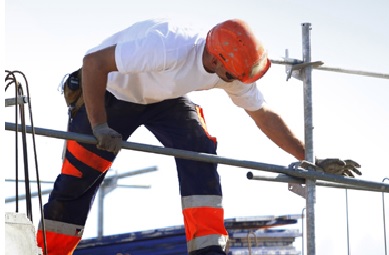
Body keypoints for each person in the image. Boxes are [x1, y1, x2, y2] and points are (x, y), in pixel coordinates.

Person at [37, 18, 362, 255]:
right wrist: (99, 126)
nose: (239, 82)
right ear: (216, 60)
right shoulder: (166, 46)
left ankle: (207, 248)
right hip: (109, 91)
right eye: (235, 76)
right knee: (81, 174)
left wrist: (309, 158)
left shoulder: (230, 66)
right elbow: (93, 64)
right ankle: (49, 252)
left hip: (162, 98)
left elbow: (264, 116)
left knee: (199, 149)